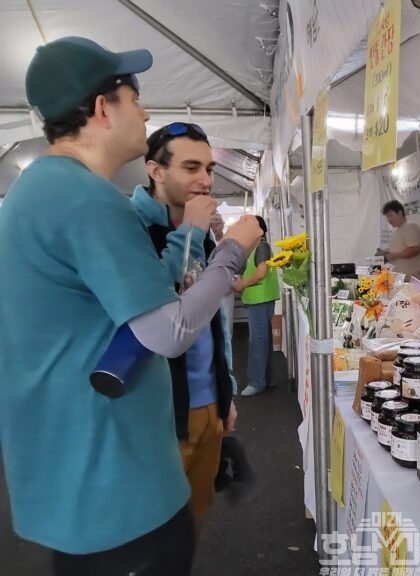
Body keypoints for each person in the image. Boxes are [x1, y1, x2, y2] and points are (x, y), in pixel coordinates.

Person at [0, 37, 262, 576]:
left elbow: (143, 296)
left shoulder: (41, 191)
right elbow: (169, 329)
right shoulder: (87, 200)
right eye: (134, 97)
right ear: (103, 108)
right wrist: (233, 249)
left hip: (81, 473)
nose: (143, 112)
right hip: (112, 482)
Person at [131, 122, 238, 532]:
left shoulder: (204, 235)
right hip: (156, 414)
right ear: (156, 170)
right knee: (153, 528)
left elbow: (215, 315)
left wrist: (224, 388)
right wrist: (191, 230)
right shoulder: (130, 227)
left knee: (194, 517)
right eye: (191, 167)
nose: (205, 180)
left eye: (209, 168)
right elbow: (153, 302)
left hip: (207, 402)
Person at [234, 216, 280, 396]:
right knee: (263, 340)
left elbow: (260, 273)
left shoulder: (261, 247)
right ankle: (267, 379)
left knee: (257, 342)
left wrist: (242, 284)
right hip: (259, 299)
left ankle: (257, 381)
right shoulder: (256, 248)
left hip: (260, 300)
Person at [379, 200, 420, 285]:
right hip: (402, 279)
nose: (389, 219)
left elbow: (415, 249)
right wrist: (386, 252)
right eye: (387, 217)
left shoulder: (410, 226)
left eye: (391, 215)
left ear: (400, 212)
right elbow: (400, 248)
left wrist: (394, 255)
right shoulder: (396, 230)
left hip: (414, 279)